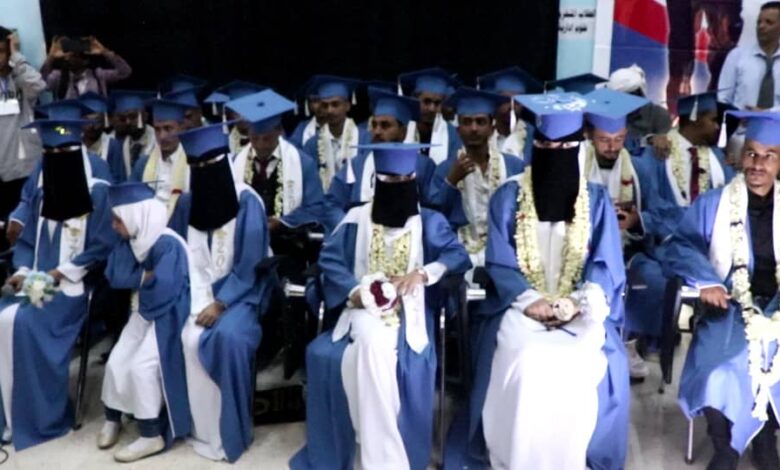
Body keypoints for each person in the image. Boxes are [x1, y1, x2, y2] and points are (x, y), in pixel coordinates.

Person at [447, 92, 628, 469]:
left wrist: (578, 301)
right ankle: (518, 457)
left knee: (576, 361)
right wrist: (531, 300)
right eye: (546, 146)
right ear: (535, 146)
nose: (554, 152)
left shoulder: (595, 201)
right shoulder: (508, 196)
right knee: (525, 358)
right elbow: (500, 262)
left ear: (578, 148)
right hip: (520, 305)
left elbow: (605, 263)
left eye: (564, 147)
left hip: (579, 306)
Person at [290, 142, 471, 470]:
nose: (397, 187)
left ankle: (367, 449)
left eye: (404, 182)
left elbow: (457, 255)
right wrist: (354, 291)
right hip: (361, 307)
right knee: (374, 345)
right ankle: (383, 458)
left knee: (368, 352)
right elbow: (329, 259)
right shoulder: (356, 218)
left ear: (413, 181)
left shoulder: (429, 220)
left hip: (411, 313)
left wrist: (422, 273)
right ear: (376, 182)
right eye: (389, 181)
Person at [663, 111, 780, 470]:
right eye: (752, 153)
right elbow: (680, 245)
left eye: (769, 156)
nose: (758, 164)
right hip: (728, 307)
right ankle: (724, 444)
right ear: (741, 156)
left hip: (776, 307)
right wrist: (708, 282)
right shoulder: (713, 203)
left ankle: (765, 436)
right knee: (718, 370)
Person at [0, 119, 116, 450]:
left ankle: (41, 418)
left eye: (64, 151)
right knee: (2, 318)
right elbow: (26, 244)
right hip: (36, 281)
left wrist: (60, 272)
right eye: (50, 152)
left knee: (25, 324)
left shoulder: (97, 191)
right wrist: (23, 270)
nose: (57, 158)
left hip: (74, 288)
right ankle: (8, 416)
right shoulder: (41, 193)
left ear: (78, 151)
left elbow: (102, 247)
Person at [170, 123, 268, 463]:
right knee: (175, 333)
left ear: (224, 162)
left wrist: (221, 302)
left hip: (242, 294)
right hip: (195, 292)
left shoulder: (247, 201)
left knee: (227, 338)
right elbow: (175, 251)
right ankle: (192, 426)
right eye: (197, 166)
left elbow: (251, 264)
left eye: (210, 164)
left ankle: (229, 433)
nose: (204, 171)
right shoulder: (187, 203)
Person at [97, 182, 191, 462]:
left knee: (141, 366)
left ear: (135, 215)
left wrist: (140, 281)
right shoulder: (132, 239)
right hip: (146, 309)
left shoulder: (167, 243)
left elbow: (165, 287)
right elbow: (115, 276)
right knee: (117, 359)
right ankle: (113, 417)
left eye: (118, 219)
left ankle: (152, 435)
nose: (114, 226)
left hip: (171, 313)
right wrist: (143, 278)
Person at [582, 88, 663, 380]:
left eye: (618, 139)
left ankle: (628, 342)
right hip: (585, 251)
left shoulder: (640, 168)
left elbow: (663, 212)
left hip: (629, 249)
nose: (612, 147)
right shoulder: (576, 165)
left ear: (626, 134)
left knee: (655, 280)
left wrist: (636, 220)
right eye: (604, 140)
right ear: (590, 136)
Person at [430, 87, 525, 277]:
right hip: (462, 257)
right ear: (458, 130)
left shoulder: (514, 166)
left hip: (507, 256)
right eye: (467, 122)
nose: (474, 128)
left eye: (480, 122)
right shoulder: (445, 169)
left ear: (492, 127)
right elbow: (436, 218)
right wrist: (451, 181)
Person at [324, 87, 436, 230]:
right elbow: (332, 203)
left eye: (385, 126)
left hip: (407, 236)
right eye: (374, 125)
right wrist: (349, 229)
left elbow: (432, 208)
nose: (377, 131)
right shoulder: (356, 165)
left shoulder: (423, 165)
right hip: (361, 235)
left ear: (403, 132)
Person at [5, 100, 113, 247]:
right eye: (51, 149)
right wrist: (17, 218)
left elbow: (104, 212)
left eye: (64, 148)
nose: (56, 154)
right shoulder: (44, 163)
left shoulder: (97, 165)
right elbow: (28, 197)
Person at [227, 89, 325, 236]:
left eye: (266, 139)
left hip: (288, 241)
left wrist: (284, 222)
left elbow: (315, 207)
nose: (260, 146)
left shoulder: (303, 163)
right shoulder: (235, 163)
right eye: (255, 138)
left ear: (279, 131)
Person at [0, 26, 46, 252]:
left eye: (1, 51)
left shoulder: (19, 79)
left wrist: (16, 57)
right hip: (1, 170)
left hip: (23, 169)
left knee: (24, 233)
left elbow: (39, 85)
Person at [302, 75, 369, 191]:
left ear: (347, 106)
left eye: (335, 104)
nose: (329, 110)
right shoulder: (312, 145)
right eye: (325, 105)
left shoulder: (365, 140)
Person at [130, 99, 192, 218]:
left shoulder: (192, 164)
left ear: (182, 128)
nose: (162, 136)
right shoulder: (143, 164)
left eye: (168, 129)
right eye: (157, 129)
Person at [719, 2, 780, 110]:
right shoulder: (736, 56)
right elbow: (723, 98)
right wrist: (736, 117)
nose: (761, 26)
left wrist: (767, 113)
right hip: (740, 120)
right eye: (759, 22)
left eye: (769, 22)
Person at [398, 67, 461, 164]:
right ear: (415, 100)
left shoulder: (453, 136)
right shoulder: (401, 131)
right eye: (426, 102)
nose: (432, 109)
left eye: (437, 103)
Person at [477, 67, 542, 161]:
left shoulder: (533, 135)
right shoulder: (479, 132)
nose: (512, 107)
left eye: (517, 102)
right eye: (506, 100)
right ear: (494, 101)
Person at [606, 64, 673, 155]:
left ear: (640, 95)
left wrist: (653, 139)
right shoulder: (605, 115)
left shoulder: (659, 116)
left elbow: (665, 151)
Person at [41, 36, 131, 99]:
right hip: (67, 120)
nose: (68, 59)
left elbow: (125, 72)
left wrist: (105, 52)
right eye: (67, 56)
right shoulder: (59, 76)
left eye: (73, 56)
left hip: (95, 119)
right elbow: (41, 83)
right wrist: (51, 57)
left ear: (85, 61)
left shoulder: (97, 75)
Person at [203, 80, 266, 154]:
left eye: (248, 109)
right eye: (238, 110)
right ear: (230, 113)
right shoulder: (224, 141)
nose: (243, 115)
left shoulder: (272, 135)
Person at [79, 91, 125, 182]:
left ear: (105, 121)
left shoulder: (113, 145)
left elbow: (118, 178)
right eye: (87, 121)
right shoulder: (76, 144)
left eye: (97, 121)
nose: (92, 126)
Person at [110, 90, 157, 179]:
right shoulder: (117, 142)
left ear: (145, 116)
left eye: (133, 116)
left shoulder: (158, 139)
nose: (128, 122)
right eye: (123, 118)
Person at [289, 77, 328, 148]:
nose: (321, 105)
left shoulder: (347, 126)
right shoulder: (302, 127)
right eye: (315, 101)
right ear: (309, 105)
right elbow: (292, 150)